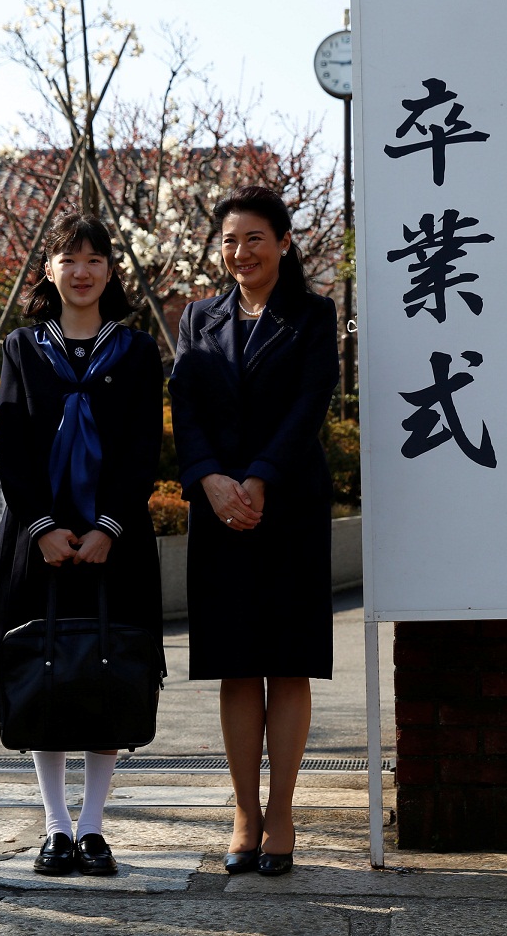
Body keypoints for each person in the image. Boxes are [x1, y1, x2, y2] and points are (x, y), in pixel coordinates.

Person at [0, 212, 164, 878]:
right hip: (39, 538)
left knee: (110, 670)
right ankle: (54, 825)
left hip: (118, 539)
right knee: (42, 673)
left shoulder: (138, 351)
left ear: (110, 271)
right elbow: (14, 443)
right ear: (48, 271)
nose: (82, 270)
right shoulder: (24, 349)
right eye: (69, 258)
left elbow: (144, 446)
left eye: (95, 259)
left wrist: (110, 524)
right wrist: (44, 527)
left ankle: (93, 827)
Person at [168, 185, 339, 877]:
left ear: (285, 243)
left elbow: (311, 401)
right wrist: (210, 479)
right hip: (219, 510)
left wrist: (261, 476)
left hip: (289, 504)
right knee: (236, 663)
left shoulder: (314, 315)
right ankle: (244, 809)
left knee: (288, 661)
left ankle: (283, 810)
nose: (241, 252)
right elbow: (185, 404)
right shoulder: (196, 318)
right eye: (230, 240)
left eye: (255, 239)